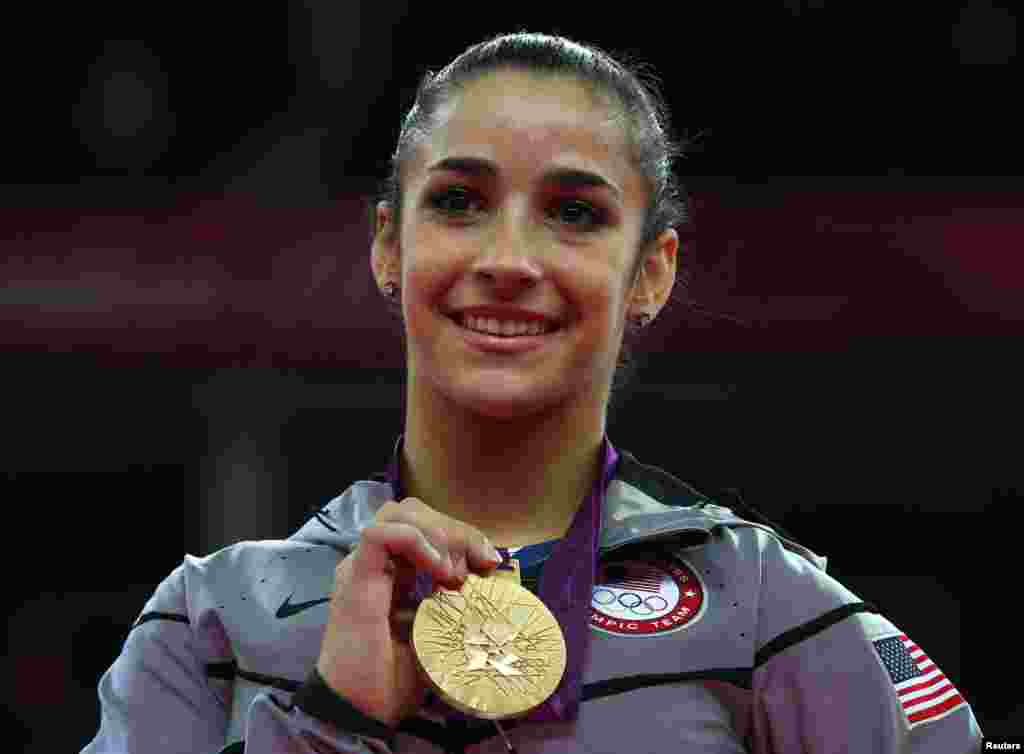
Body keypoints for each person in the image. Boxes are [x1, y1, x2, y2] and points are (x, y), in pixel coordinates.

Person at [81, 31, 984, 754]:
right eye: (459, 201)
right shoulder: (210, 622)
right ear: (388, 246)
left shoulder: (762, 605)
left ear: (652, 273)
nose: (508, 260)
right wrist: (334, 720)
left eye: (576, 213)